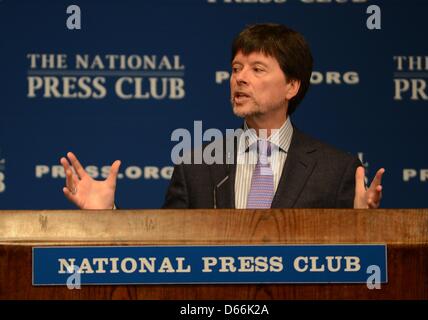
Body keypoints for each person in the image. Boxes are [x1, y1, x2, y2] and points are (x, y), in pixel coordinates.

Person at [60, 23, 384, 210]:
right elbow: (165, 255)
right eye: (236, 69)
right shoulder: (197, 167)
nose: (240, 78)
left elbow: (352, 267)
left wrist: (362, 227)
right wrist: (107, 215)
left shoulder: (337, 170)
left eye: (257, 69)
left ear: (292, 85)